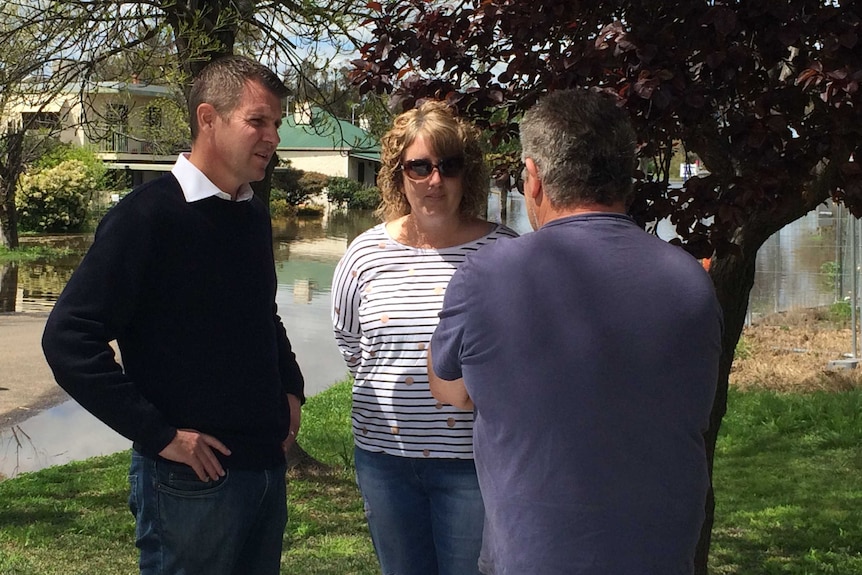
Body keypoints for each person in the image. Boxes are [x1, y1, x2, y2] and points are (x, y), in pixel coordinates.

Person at [428, 89, 722, 575]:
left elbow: (447, 387)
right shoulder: (691, 281)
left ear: (535, 178)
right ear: (626, 176)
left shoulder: (488, 275)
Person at [41, 55, 305, 575]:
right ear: (208, 118)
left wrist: (290, 387)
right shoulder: (145, 218)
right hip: (188, 483)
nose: (272, 136)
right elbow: (69, 340)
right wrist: (160, 435)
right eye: (257, 121)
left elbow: (260, 313)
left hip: (264, 470)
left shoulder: (250, 211)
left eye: (276, 123)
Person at [331, 100, 518, 575]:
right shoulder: (364, 254)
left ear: (466, 174)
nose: (435, 181)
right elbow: (354, 348)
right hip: (384, 463)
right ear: (398, 175)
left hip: (472, 465)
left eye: (449, 167)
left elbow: (523, 361)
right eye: (419, 167)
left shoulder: (505, 253)